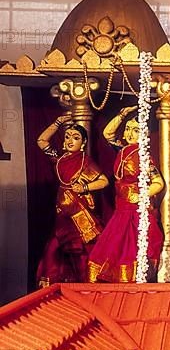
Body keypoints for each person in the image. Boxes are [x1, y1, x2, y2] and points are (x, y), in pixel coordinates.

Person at [88, 106, 165, 282]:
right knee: (111, 249)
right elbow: (108, 134)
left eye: (136, 130)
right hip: (121, 209)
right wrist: (122, 114)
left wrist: (141, 196)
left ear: (144, 135)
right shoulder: (122, 151)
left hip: (135, 211)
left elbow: (158, 183)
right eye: (128, 129)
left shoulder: (144, 157)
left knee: (130, 252)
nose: (130, 133)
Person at [36, 114, 109, 286]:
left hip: (79, 213)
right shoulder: (59, 160)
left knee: (80, 251)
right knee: (56, 248)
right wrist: (58, 122)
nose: (70, 140)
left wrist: (85, 188)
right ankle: (57, 287)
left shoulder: (86, 162)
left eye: (75, 138)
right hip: (62, 212)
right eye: (67, 136)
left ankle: (85, 286)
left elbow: (104, 181)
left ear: (83, 143)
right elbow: (41, 141)